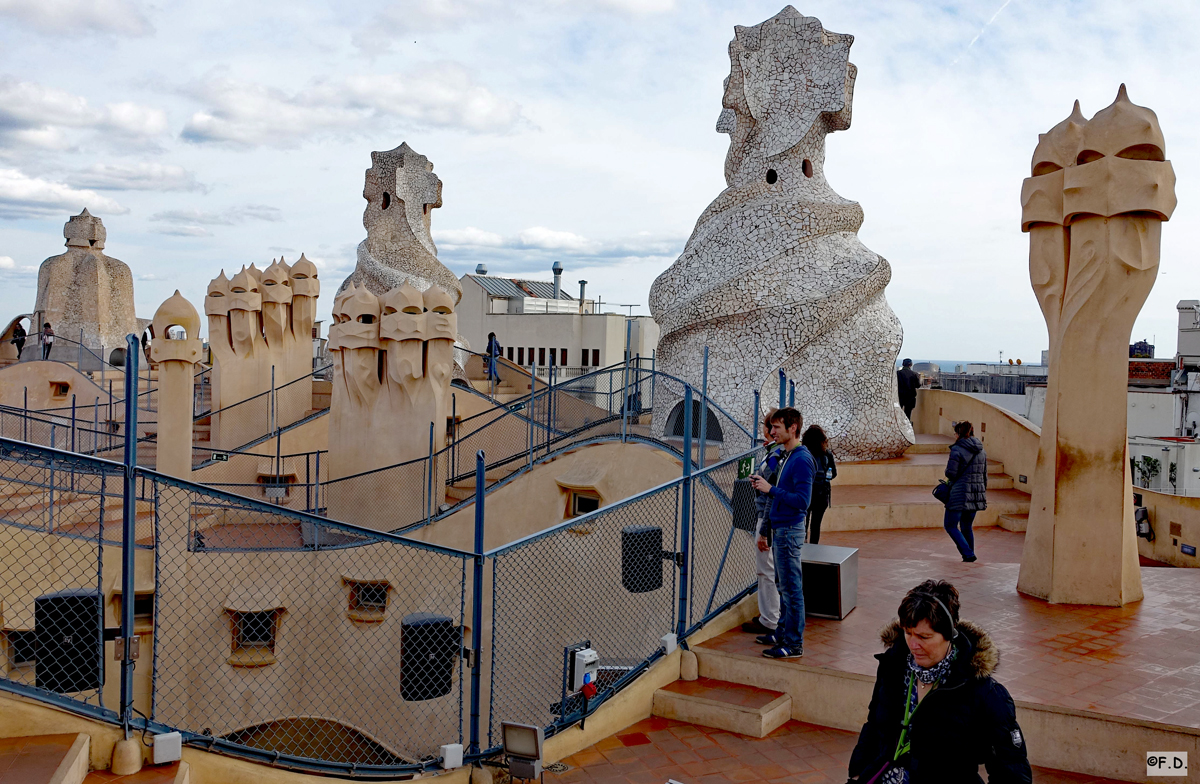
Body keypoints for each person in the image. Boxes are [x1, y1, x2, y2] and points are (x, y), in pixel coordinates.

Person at [846, 580, 1032, 783]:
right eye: (908, 633)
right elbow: (874, 724)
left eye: (924, 637)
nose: (913, 645)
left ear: (950, 635)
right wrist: (858, 772)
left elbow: (1012, 771)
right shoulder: (892, 666)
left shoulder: (985, 693)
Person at [749, 407, 816, 659]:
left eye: (777, 427)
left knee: (791, 589)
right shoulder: (788, 455)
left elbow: (802, 501)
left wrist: (770, 489)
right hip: (781, 530)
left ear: (793, 429)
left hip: (789, 531)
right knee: (783, 585)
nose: (771, 431)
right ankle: (781, 633)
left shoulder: (801, 459)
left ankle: (794, 644)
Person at [741, 410, 783, 637]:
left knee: (766, 571)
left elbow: (770, 493)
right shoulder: (775, 452)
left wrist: (763, 531)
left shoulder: (776, 455)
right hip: (768, 519)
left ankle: (770, 620)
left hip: (767, 519)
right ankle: (769, 616)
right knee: (768, 571)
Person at [944, 421, 987, 563]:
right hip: (976, 493)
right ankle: (969, 556)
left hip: (959, 493)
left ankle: (968, 554)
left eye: (955, 433)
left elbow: (951, 473)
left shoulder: (957, 450)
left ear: (959, 434)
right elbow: (984, 475)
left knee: (950, 525)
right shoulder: (981, 450)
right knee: (967, 526)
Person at [802, 425, 837, 544]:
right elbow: (834, 474)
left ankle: (803, 548)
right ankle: (814, 551)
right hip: (822, 496)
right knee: (815, 526)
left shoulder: (804, 454)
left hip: (806, 494)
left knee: (803, 524)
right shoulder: (827, 454)